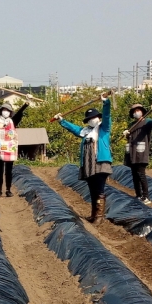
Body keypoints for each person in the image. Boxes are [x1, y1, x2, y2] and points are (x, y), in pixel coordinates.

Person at [54, 94, 112, 223]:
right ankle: (93, 214)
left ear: (98, 118)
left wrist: (106, 102)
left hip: (100, 162)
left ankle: (99, 217)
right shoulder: (85, 131)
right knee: (92, 189)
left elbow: (107, 115)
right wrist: (62, 121)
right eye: (90, 118)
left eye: (94, 117)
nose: (93, 120)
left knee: (99, 189)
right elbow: (74, 129)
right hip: (88, 164)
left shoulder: (103, 128)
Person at [0, 85, 31, 197]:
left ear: (10, 112)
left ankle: (8, 190)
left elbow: (20, 112)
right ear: (1, 111)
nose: (5, 112)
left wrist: (27, 102)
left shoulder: (13, 121)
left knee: (9, 171)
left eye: (7, 110)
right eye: (4, 110)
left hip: (9, 148)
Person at [123, 104, 152, 205]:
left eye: (138, 110)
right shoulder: (132, 124)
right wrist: (126, 133)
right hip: (132, 153)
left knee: (141, 175)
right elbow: (130, 138)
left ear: (142, 111)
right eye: (134, 111)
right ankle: (138, 195)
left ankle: (146, 196)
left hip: (141, 153)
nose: (136, 112)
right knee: (134, 176)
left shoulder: (146, 122)